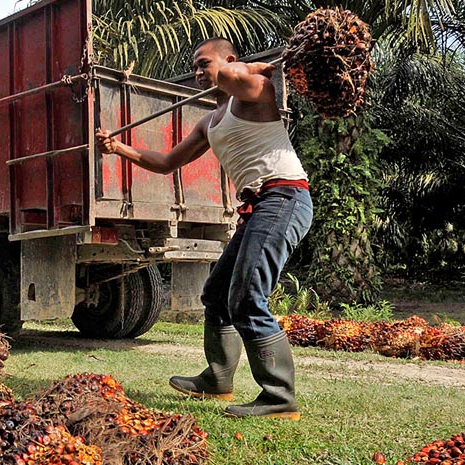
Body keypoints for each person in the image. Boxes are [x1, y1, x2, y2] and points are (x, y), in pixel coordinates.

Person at [96, 38, 313, 419]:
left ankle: (279, 397)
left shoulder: (252, 92)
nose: (198, 73)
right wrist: (119, 149)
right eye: (194, 67)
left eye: (204, 64)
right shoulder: (210, 121)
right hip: (259, 206)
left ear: (230, 61)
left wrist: (248, 66)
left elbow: (241, 75)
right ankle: (217, 380)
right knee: (216, 294)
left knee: (247, 297)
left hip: (284, 197)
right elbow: (165, 162)